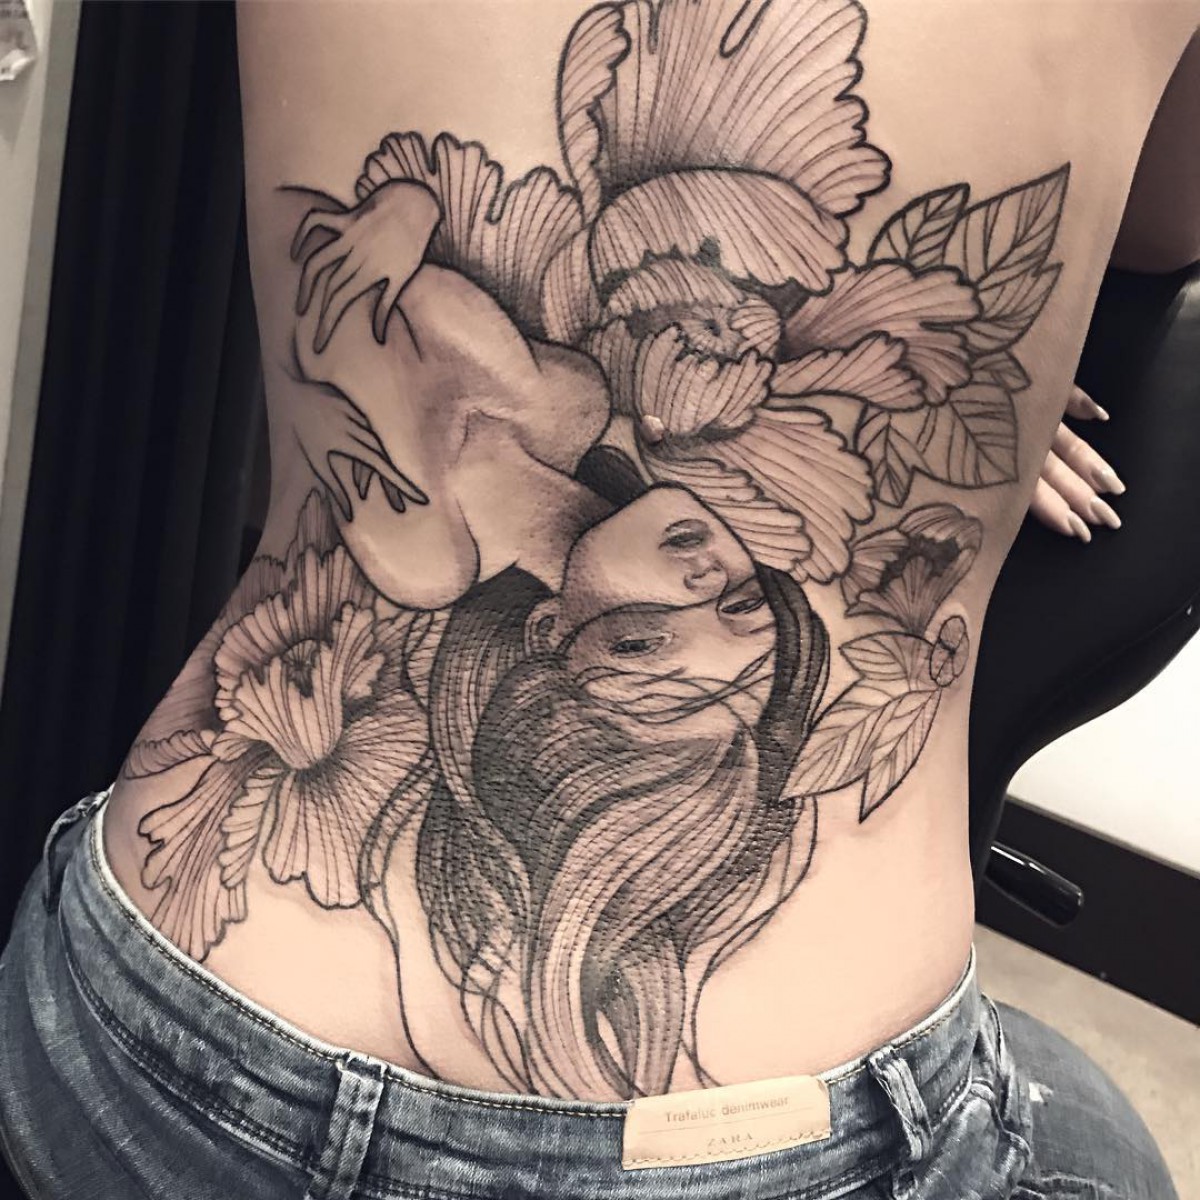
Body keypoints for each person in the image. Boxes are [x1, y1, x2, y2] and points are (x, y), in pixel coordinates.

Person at [2, 1, 1197, 1196]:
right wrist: (950, 374)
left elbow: (354, 305)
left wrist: (399, 224)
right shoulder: (575, 404)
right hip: (768, 1143)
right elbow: (1163, 226)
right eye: (746, 614)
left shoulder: (436, 545)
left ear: (549, 639)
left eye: (645, 641)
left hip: (167, 1026)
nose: (718, 582)